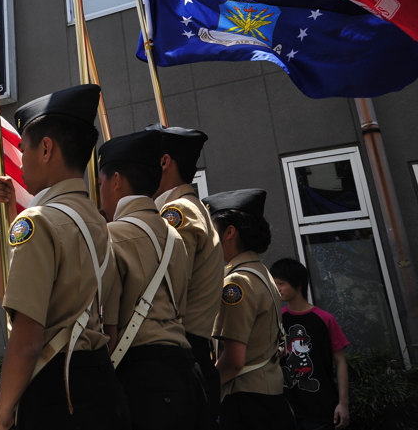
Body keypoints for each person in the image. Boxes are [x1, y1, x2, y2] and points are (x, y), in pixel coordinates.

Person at [0, 84, 129, 430]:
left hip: (56, 388)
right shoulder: (99, 222)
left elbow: (26, 339)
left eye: (23, 148)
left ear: (46, 148)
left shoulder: (37, 222)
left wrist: (2, 415)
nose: (19, 159)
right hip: (101, 381)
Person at [99, 130, 208, 430]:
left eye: (100, 183)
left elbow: (107, 323)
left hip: (143, 373)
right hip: (187, 368)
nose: (100, 192)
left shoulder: (113, 235)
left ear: (117, 181)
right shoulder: (173, 236)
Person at [146, 123, 224, 420]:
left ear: (164, 162)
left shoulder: (176, 213)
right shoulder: (188, 208)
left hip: (177, 357)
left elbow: (157, 283)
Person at [208, 189, 295, 430]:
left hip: (247, 404)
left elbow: (234, 360)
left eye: (212, 231)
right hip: (269, 398)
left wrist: (204, 391)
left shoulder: (236, 282)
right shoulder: (261, 272)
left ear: (230, 232)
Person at [271, 258, 350, 430]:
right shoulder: (277, 319)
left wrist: (343, 403)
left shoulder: (325, 319)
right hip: (287, 408)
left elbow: (340, 362)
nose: (277, 288)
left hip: (321, 409)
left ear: (298, 284)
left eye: (281, 283)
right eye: (274, 283)